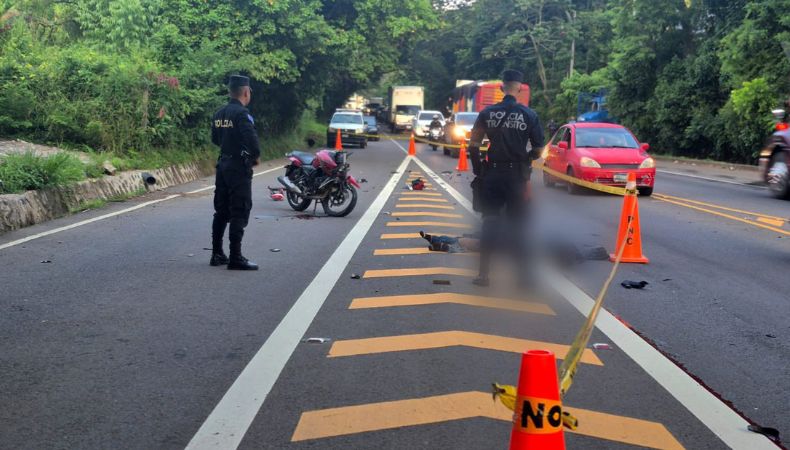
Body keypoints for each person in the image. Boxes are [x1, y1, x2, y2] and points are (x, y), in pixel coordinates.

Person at [468, 69, 544, 287]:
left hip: (492, 174)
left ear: (502, 88)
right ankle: (524, 277)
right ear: (519, 88)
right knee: (518, 226)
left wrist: (479, 169)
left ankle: (483, 275)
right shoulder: (529, 115)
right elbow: (539, 148)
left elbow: (474, 146)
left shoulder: (487, 113)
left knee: (490, 223)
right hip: (516, 177)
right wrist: (526, 160)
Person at [209, 75, 260, 271]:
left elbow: (215, 139)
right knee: (240, 209)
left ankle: (216, 253)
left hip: (222, 165)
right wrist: (253, 157)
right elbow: (252, 142)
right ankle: (235, 257)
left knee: (221, 210)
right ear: (246, 92)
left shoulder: (219, 113)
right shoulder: (242, 114)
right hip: (238, 167)